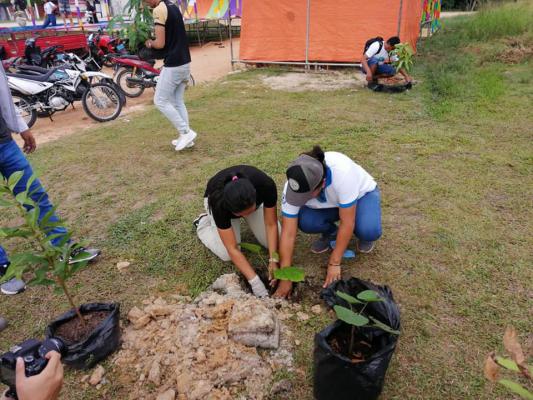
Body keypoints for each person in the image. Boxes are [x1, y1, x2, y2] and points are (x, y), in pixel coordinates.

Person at [0, 62, 100, 295]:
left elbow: (3, 94)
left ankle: (64, 248)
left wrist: (21, 126)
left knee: (35, 195)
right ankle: (3, 268)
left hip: (4, 143)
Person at [274, 146, 382, 298]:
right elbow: (288, 232)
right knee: (306, 221)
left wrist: (334, 263)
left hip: (360, 196)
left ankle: (364, 232)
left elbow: (347, 222)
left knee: (368, 229)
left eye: (305, 196)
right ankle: (331, 233)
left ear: (322, 183)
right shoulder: (294, 185)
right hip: (329, 204)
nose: (300, 200)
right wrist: (285, 275)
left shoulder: (343, 174)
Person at [195, 166, 280, 297]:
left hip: (249, 203)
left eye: (248, 213)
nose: (245, 217)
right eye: (241, 214)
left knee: (276, 241)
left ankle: (248, 211)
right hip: (216, 201)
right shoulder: (219, 202)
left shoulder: (265, 185)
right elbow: (232, 248)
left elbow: (271, 224)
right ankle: (202, 222)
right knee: (226, 254)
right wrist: (255, 282)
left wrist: (273, 259)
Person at [143, 0, 197, 152]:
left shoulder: (159, 10)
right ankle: (187, 138)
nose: (146, 4)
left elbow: (160, 44)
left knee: (160, 100)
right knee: (177, 101)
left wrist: (149, 43)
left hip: (174, 64)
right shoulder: (173, 6)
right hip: (185, 62)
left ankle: (186, 132)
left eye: (145, 1)